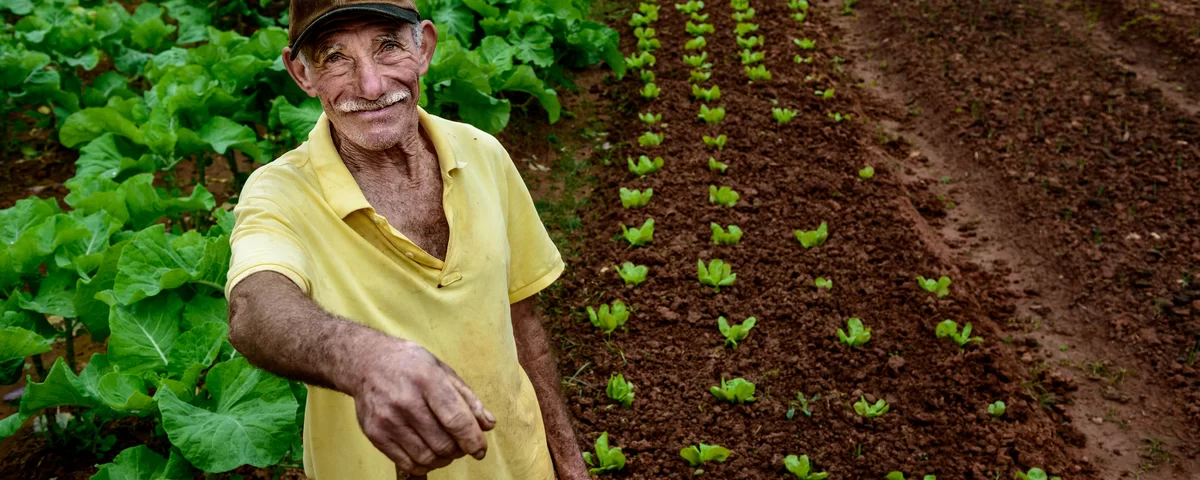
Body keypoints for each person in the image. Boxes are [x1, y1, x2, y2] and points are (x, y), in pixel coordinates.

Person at [223, 1, 587, 478]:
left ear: (425, 48)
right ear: (301, 73)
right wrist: (363, 359)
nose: (371, 86)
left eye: (388, 46)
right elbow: (254, 309)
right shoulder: (280, 193)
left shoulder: (483, 153)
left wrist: (568, 460)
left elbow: (523, 319)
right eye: (336, 57)